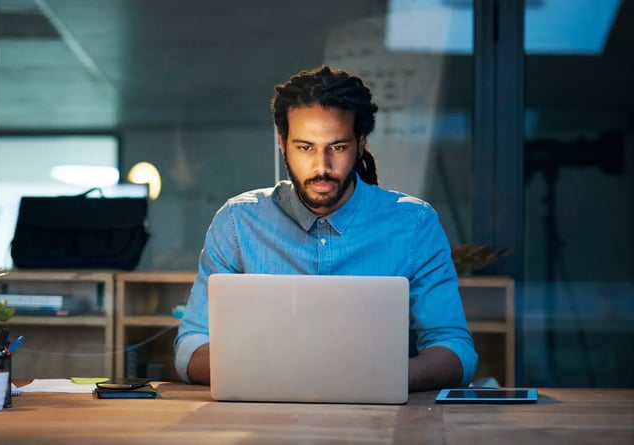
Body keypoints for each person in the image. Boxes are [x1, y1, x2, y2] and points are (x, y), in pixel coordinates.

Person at [173, 65, 477, 391]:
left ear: (360, 143)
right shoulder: (237, 222)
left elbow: (456, 349)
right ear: (282, 141)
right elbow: (191, 346)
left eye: (338, 147)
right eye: (305, 147)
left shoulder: (415, 225)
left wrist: (383, 377)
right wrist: (280, 372)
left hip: (380, 422)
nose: (321, 167)